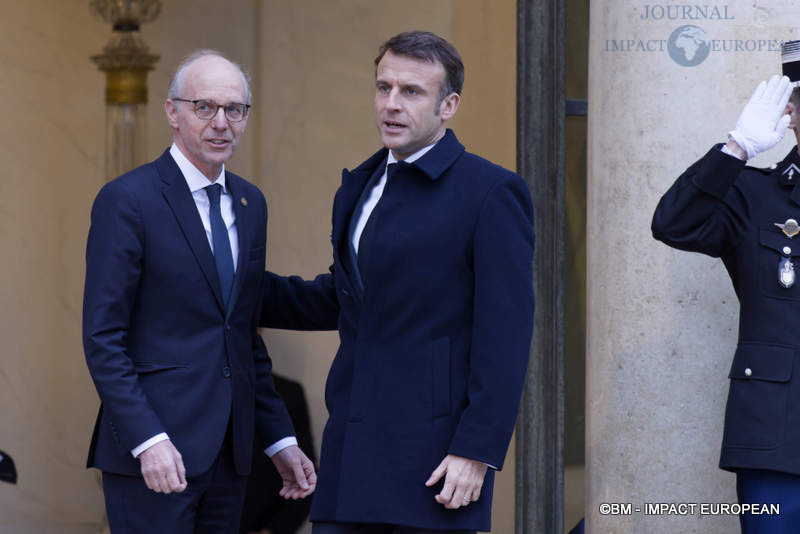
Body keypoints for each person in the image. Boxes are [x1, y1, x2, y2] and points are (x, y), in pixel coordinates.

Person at [261, 31, 534, 533]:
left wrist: (476, 451)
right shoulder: (361, 185)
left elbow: (507, 338)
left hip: (435, 466)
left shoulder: (492, 193)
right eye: (383, 87)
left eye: (411, 92)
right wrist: (232, 284)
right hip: (350, 453)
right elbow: (346, 299)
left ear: (448, 105)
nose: (391, 104)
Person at [83, 49, 316, 533]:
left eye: (235, 109)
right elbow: (104, 338)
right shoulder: (128, 201)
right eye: (203, 106)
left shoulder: (251, 204)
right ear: (172, 111)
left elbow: (243, 336)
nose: (221, 122)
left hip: (230, 458)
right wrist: (147, 440)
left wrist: (280, 440)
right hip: (153, 454)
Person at [652, 41, 800, 532]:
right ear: (791, 112)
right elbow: (673, 224)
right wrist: (735, 149)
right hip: (781, 444)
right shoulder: (755, 195)